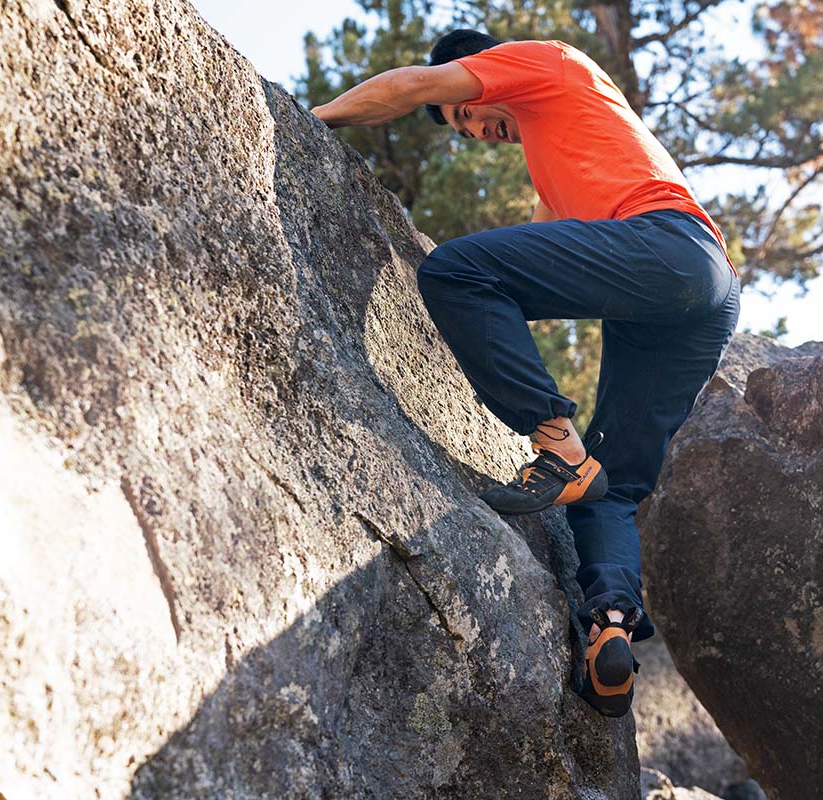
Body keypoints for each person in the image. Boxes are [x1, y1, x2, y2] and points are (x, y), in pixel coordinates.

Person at [311, 29, 740, 717]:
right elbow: (528, 266)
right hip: (702, 289)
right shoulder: (560, 154)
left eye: (467, 114)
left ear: (476, 74)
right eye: (466, 130)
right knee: (612, 487)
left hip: (665, 248)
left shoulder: (545, 62)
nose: (476, 132)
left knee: (452, 270)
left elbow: (410, 86)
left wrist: (311, 120)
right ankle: (610, 630)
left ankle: (555, 442)